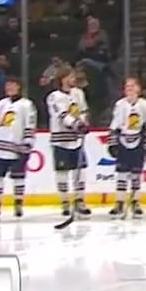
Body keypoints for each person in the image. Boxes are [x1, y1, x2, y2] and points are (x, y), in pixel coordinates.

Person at [0, 76, 37, 219]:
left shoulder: (27, 105)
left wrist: (27, 146)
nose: (9, 88)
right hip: (1, 148)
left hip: (18, 148)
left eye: (12, 85)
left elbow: (30, 126)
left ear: (19, 86)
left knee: (18, 177)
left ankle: (18, 203)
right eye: (7, 85)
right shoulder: (0, 104)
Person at [46, 65, 92, 218]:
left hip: (77, 140)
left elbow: (83, 110)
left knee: (81, 170)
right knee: (62, 172)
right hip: (61, 141)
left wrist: (84, 122)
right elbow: (62, 115)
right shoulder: (54, 97)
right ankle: (65, 202)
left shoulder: (78, 93)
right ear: (63, 78)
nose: (74, 79)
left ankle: (79, 200)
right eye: (71, 76)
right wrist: (77, 124)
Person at [108, 76, 146, 219]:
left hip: (138, 142)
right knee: (122, 174)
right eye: (127, 86)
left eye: (132, 86)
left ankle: (135, 202)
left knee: (136, 174)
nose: (130, 89)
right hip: (123, 142)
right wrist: (113, 143)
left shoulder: (144, 105)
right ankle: (120, 202)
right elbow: (114, 126)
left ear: (139, 89)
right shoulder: (120, 105)